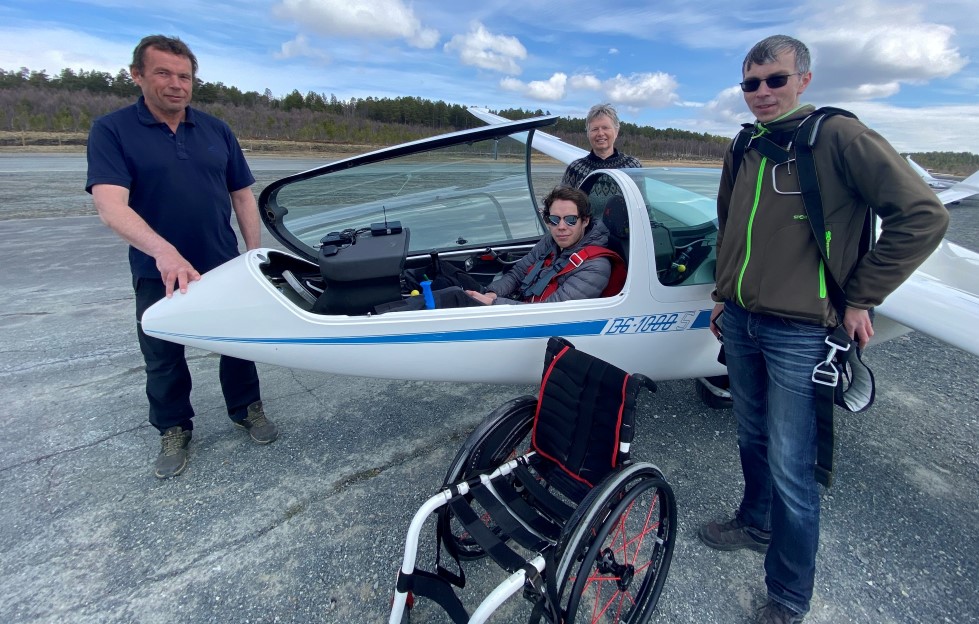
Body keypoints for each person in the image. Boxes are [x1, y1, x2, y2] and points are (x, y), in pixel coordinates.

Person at [699, 35, 948, 624]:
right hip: (741, 320)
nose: (762, 93)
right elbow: (729, 224)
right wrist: (722, 294)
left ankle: (788, 596)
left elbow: (923, 216)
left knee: (793, 465)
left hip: (802, 332)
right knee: (751, 436)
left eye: (775, 80)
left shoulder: (839, 137)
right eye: (751, 83)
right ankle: (755, 523)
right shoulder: (745, 144)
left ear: (803, 80)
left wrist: (862, 296)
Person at [86, 35, 278, 480]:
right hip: (157, 269)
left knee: (237, 344)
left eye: (184, 76)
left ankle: (247, 409)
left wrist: (252, 254)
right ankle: (173, 428)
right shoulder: (112, 131)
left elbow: (243, 197)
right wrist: (164, 251)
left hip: (220, 262)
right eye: (163, 73)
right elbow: (111, 205)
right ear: (137, 75)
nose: (176, 84)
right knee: (162, 355)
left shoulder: (216, 130)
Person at [464, 186, 617, 305]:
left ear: (585, 221)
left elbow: (550, 311)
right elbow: (518, 273)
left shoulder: (595, 266)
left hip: (543, 326)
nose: (561, 227)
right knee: (451, 281)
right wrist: (492, 293)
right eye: (554, 220)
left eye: (570, 219)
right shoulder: (550, 242)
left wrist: (494, 303)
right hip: (519, 304)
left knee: (453, 297)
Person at [560, 103, 641, 189]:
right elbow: (562, 201)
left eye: (605, 128)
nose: (600, 133)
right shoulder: (575, 169)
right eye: (595, 129)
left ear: (616, 131)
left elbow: (642, 200)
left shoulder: (633, 166)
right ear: (588, 134)